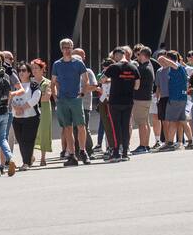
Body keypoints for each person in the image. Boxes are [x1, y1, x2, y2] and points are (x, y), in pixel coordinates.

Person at [52, 38, 95, 166]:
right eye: (64, 47)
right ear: (61, 49)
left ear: (72, 48)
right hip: (62, 100)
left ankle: (83, 151)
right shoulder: (57, 64)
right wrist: (55, 97)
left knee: (81, 126)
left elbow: (86, 80)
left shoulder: (78, 63)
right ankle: (71, 154)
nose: (67, 49)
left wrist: (82, 93)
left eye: (69, 47)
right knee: (67, 128)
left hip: (75, 99)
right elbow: (53, 82)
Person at [103, 48, 138, 161]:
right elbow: (137, 86)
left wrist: (112, 80)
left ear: (116, 56)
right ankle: (125, 152)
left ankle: (116, 152)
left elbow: (102, 79)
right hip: (128, 101)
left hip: (115, 101)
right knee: (125, 126)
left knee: (115, 127)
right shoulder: (133, 67)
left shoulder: (113, 67)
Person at [156, 51, 193, 150]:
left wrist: (163, 59)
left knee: (172, 121)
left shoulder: (177, 67)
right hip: (181, 98)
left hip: (176, 98)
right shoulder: (179, 69)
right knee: (183, 121)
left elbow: (174, 63)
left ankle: (170, 143)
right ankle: (190, 142)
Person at [11, 61, 43, 169]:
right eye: (19, 71)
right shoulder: (14, 85)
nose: (21, 73)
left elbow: (35, 99)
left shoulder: (34, 85)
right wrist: (15, 107)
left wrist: (22, 108)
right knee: (20, 141)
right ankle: (29, 158)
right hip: (17, 117)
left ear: (29, 72)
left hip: (31, 117)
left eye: (24, 70)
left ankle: (26, 163)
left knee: (27, 140)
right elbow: (9, 98)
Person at [131, 46, 156, 154]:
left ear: (143, 55)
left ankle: (143, 145)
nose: (137, 57)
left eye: (139, 55)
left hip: (141, 98)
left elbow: (136, 83)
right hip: (146, 98)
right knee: (145, 122)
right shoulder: (149, 65)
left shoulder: (143, 68)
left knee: (141, 123)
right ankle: (145, 145)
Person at [31, 59, 53, 166]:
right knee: (31, 132)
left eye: (36, 68)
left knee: (44, 131)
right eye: (33, 68)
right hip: (31, 110)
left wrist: (33, 99)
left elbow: (47, 97)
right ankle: (30, 156)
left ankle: (43, 158)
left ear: (42, 69)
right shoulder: (29, 82)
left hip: (44, 109)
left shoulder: (47, 82)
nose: (34, 70)